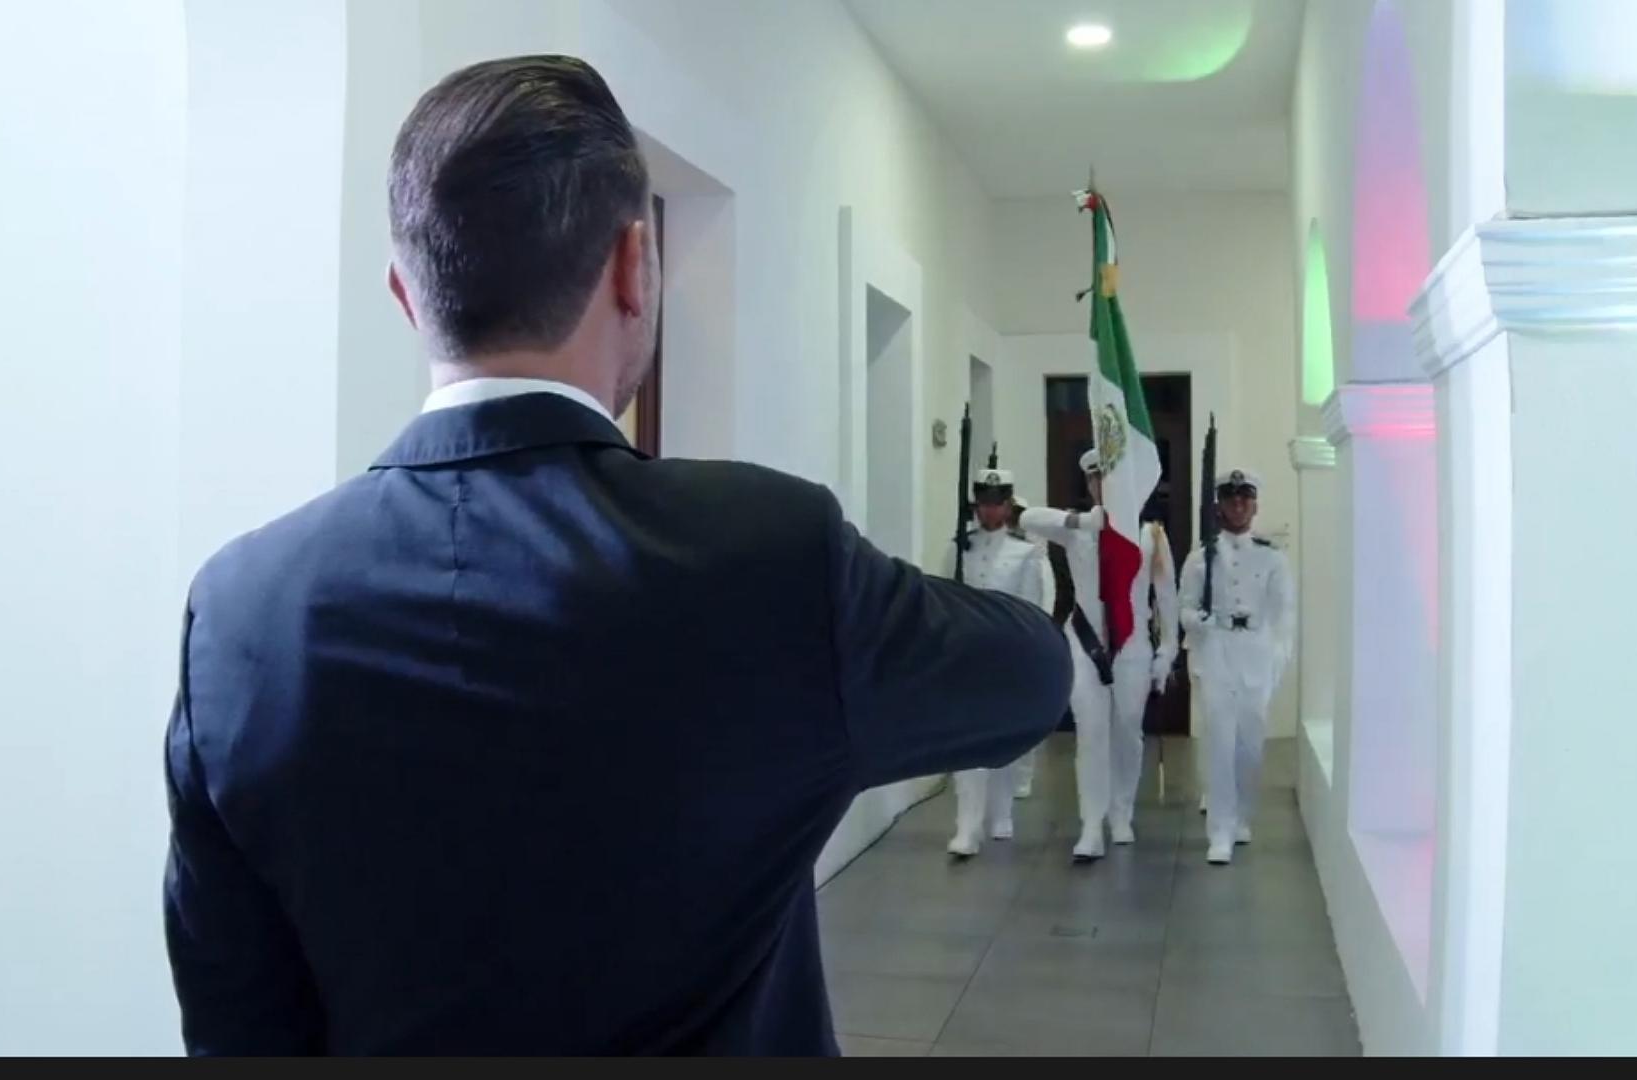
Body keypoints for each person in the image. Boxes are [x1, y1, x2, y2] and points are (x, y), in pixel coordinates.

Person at [161, 55, 1071, 1057]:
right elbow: (1030, 676)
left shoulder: (239, 612)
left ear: (405, 295)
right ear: (637, 265)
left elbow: (236, 1024)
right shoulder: (766, 558)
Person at [1018, 450, 1177, 861]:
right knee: (1090, 733)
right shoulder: (1079, 530)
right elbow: (1027, 518)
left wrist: (1167, 651)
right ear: (1088, 484)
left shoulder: (1149, 534)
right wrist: (1082, 522)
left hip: (1133, 645)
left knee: (1127, 730)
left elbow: (1166, 597)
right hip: (1086, 643)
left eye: (1109, 477)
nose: (1101, 485)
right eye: (1094, 479)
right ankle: (1091, 822)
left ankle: (1121, 813)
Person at [1177, 469, 1295, 866]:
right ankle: (1220, 829)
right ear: (1220, 506)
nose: (1238, 504)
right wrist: (1198, 622)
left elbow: (1284, 615)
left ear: (1255, 505)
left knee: (1250, 744)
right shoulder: (1201, 557)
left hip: (1255, 651)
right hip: (1217, 648)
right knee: (1219, 742)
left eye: (1245, 497)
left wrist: (1277, 661)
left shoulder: (1272, 556)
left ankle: (1242, 815)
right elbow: (1185, 608)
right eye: (1230, 498)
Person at [946, 466, 1052, 858]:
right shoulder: (960, 547)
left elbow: (1031, 610)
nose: (989, 511)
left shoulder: (1024, 552)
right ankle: (966, 826)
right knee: (967, 742)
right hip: (967, 656)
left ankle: (1001, 812)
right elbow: (943, 598)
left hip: (1005, 656)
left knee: (1003, 740)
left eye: (997, 503)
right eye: (984, 503)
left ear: (1008, 506)